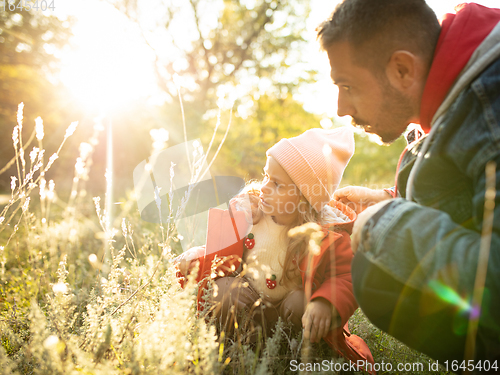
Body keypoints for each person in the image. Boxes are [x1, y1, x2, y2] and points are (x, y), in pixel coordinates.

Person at [317, 0, 500, 366]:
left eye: (348, 85)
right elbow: (472, 196)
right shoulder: (446, 93)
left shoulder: (490, 111)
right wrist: (388, 199)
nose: (340, 108)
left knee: (376, 273)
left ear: (402, 69)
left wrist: (387, 224)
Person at [175, 127, 374, 370]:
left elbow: (346, 276)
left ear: (304, 198)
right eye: (266, 176)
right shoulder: (252, 214)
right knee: (224, 293)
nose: (265, 187)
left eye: (278, 184)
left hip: (288, 310)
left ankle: (290, 349)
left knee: (302, 305)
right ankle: (238, 344)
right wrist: (197, 257)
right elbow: (221, 251)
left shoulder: (325, 235)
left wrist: (326, 302)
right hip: (248, 298)